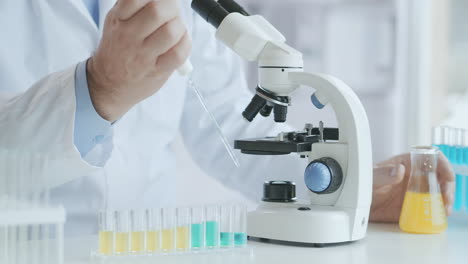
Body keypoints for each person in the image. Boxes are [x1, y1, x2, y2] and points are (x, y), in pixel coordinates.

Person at [0, 0, 454, 235]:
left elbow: (231, 128)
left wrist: (346, 185)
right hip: (35, 249)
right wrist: (101, 88)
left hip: (145, 249)